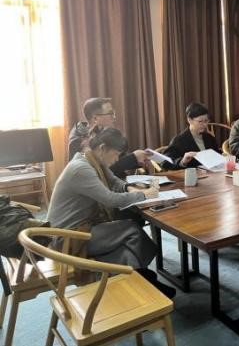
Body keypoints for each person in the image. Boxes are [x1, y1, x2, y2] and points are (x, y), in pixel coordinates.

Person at [49, 127, 175, 297]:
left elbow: (114, 181)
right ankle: (143, 277)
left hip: (82, 227)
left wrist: (128, 187)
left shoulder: (91, 160)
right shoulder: (81, 168)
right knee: (132, 230)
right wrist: (143, 195)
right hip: (67, 236)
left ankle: (141, 280)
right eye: (116, 154)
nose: (116, 160)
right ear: (102, 148)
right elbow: (110, 199)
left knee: (126, 245)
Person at [68, 97, 150, 177]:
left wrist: (138, 161)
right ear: (95, 118)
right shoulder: (78, 140)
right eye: (110, 114)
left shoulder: (101, 131)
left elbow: (118, 159)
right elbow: (98, 171)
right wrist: (133, 158)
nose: (114, 117)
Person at [161, 102, 220, 169]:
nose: (204, 124)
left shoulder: (210, 138)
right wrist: (182, 162)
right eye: (200, 121)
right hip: (191, 174)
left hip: (211, 173)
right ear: (189, 120)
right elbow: (164, 162)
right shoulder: (179, 140)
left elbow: (217, 156)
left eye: (206, 121)